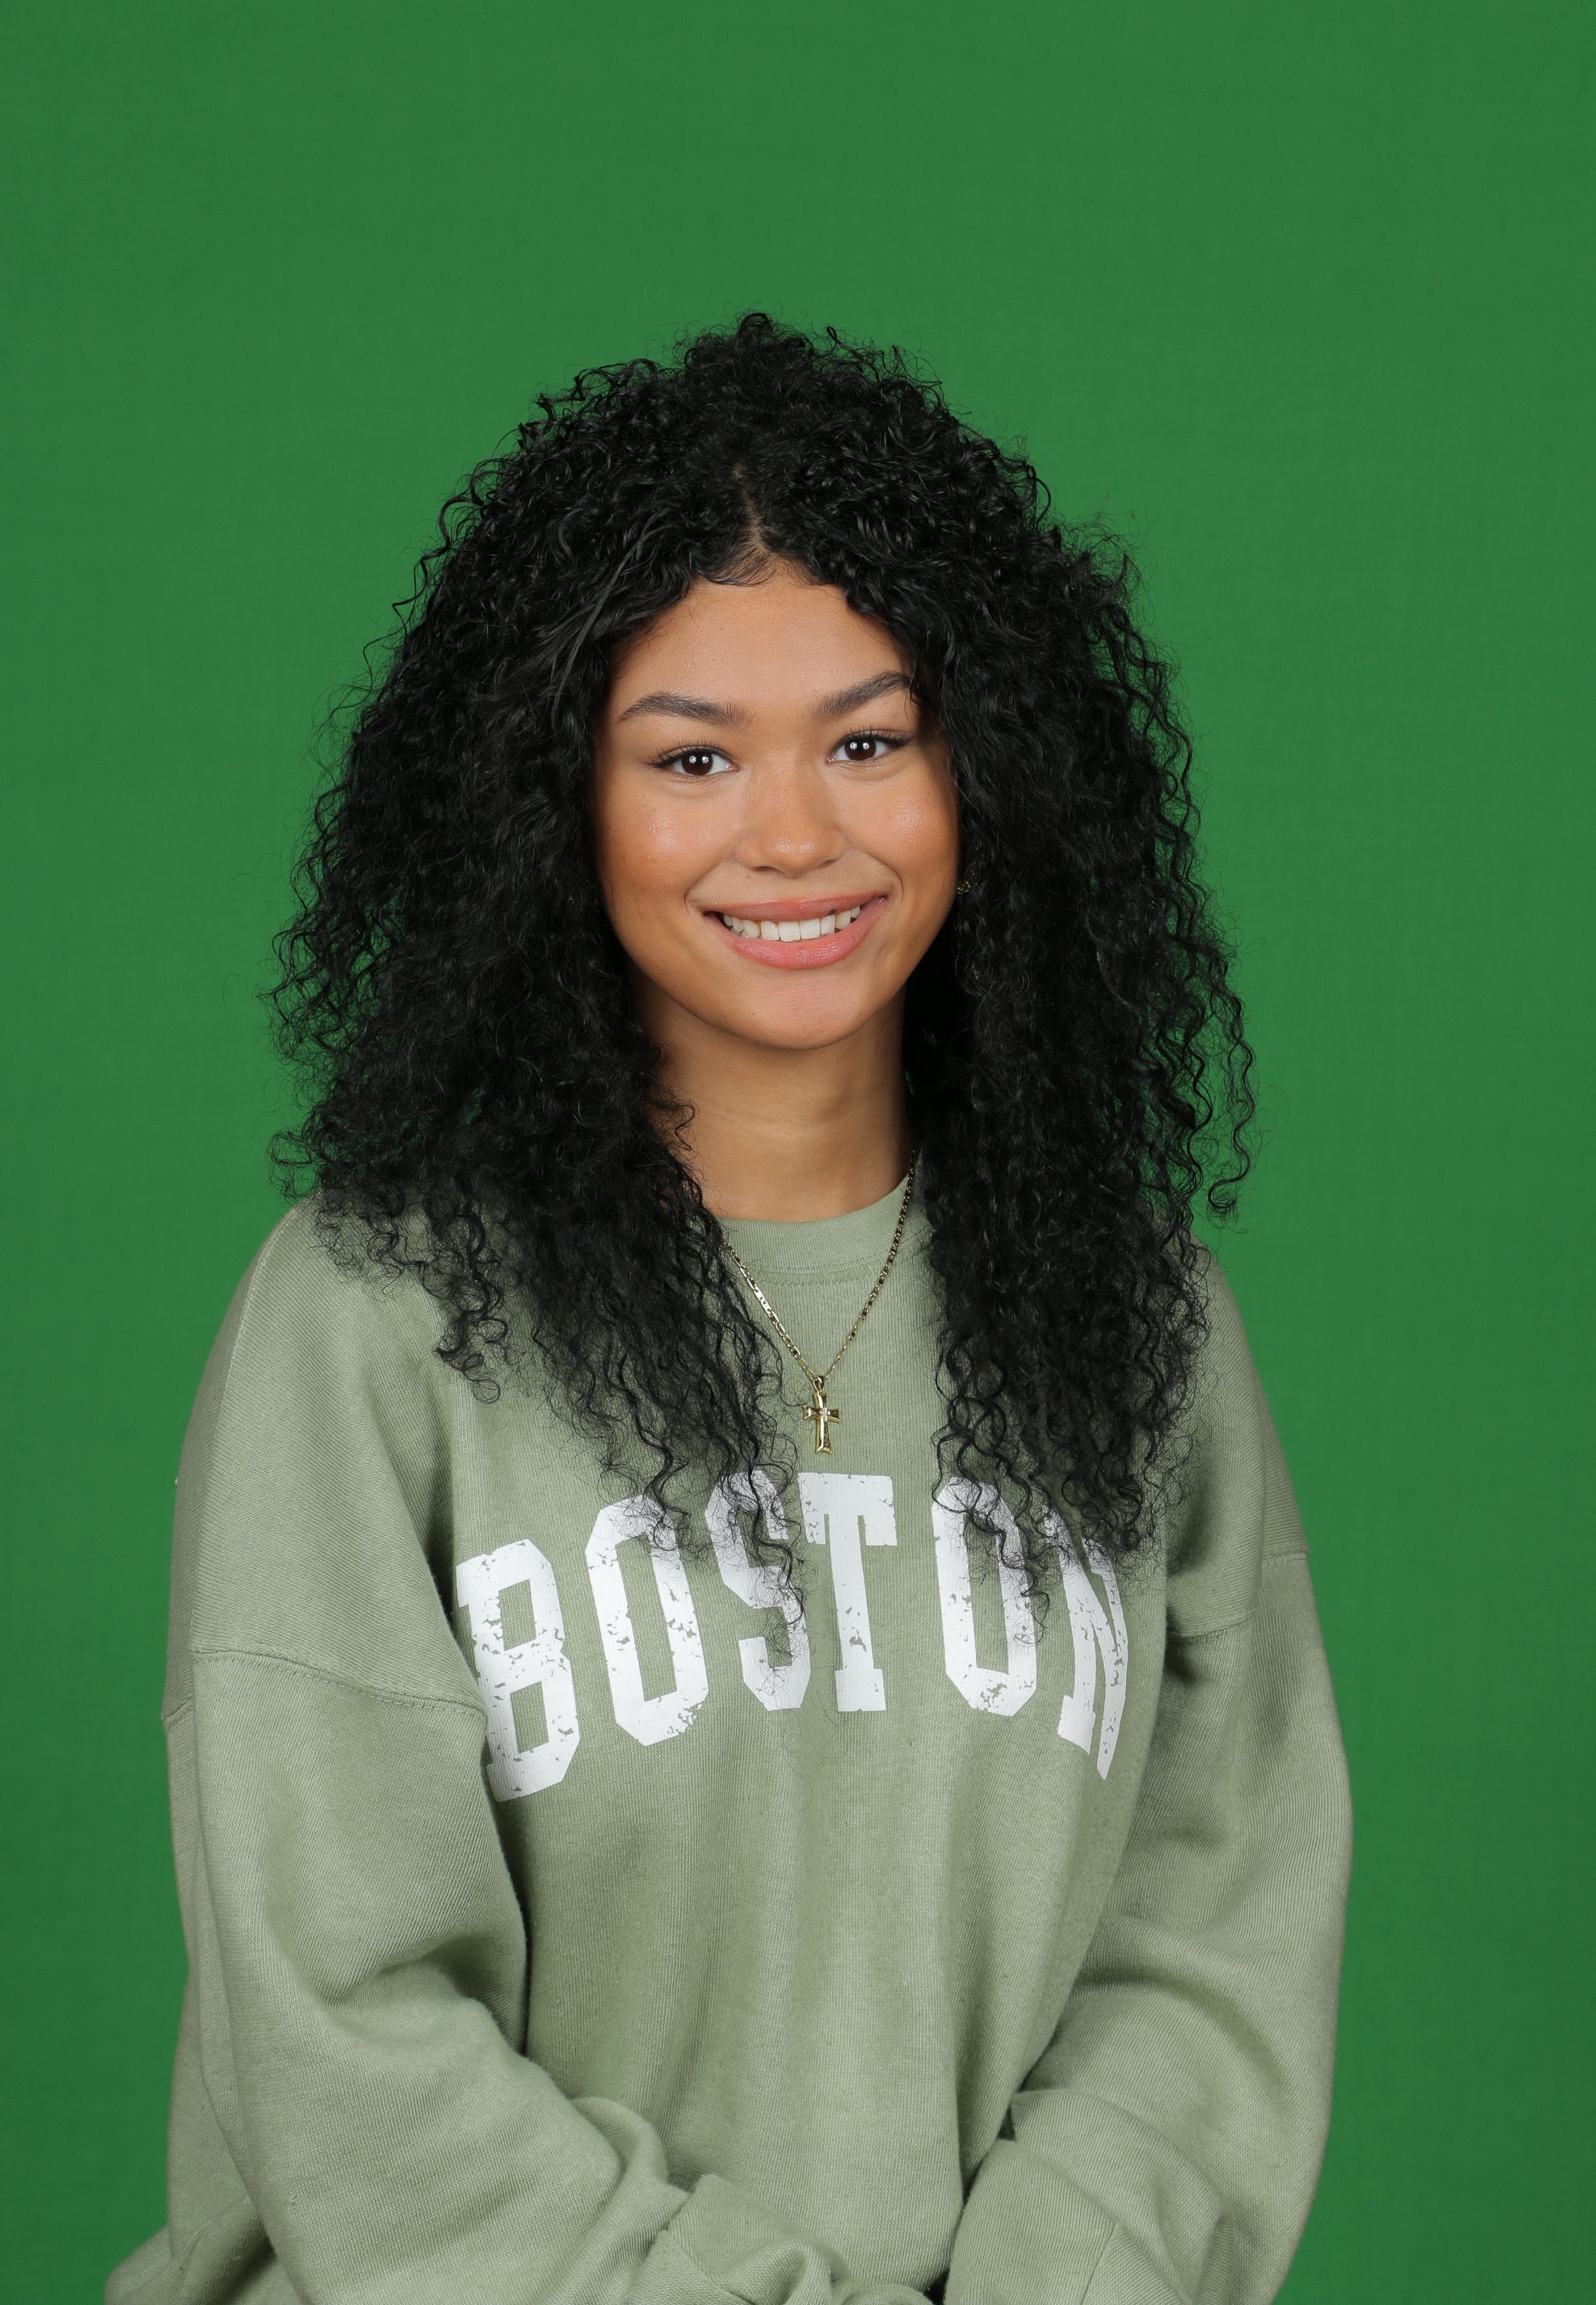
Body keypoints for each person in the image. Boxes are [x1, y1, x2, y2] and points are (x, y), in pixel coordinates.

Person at [110, 315, 1351, 2305]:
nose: (794, 834)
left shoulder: (1139, 1323)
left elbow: (1212, 1941)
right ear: (559, 803)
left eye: (870, 740)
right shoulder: (378, 1318)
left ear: (985, 768)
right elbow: (345, 2019)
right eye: (692, 757)